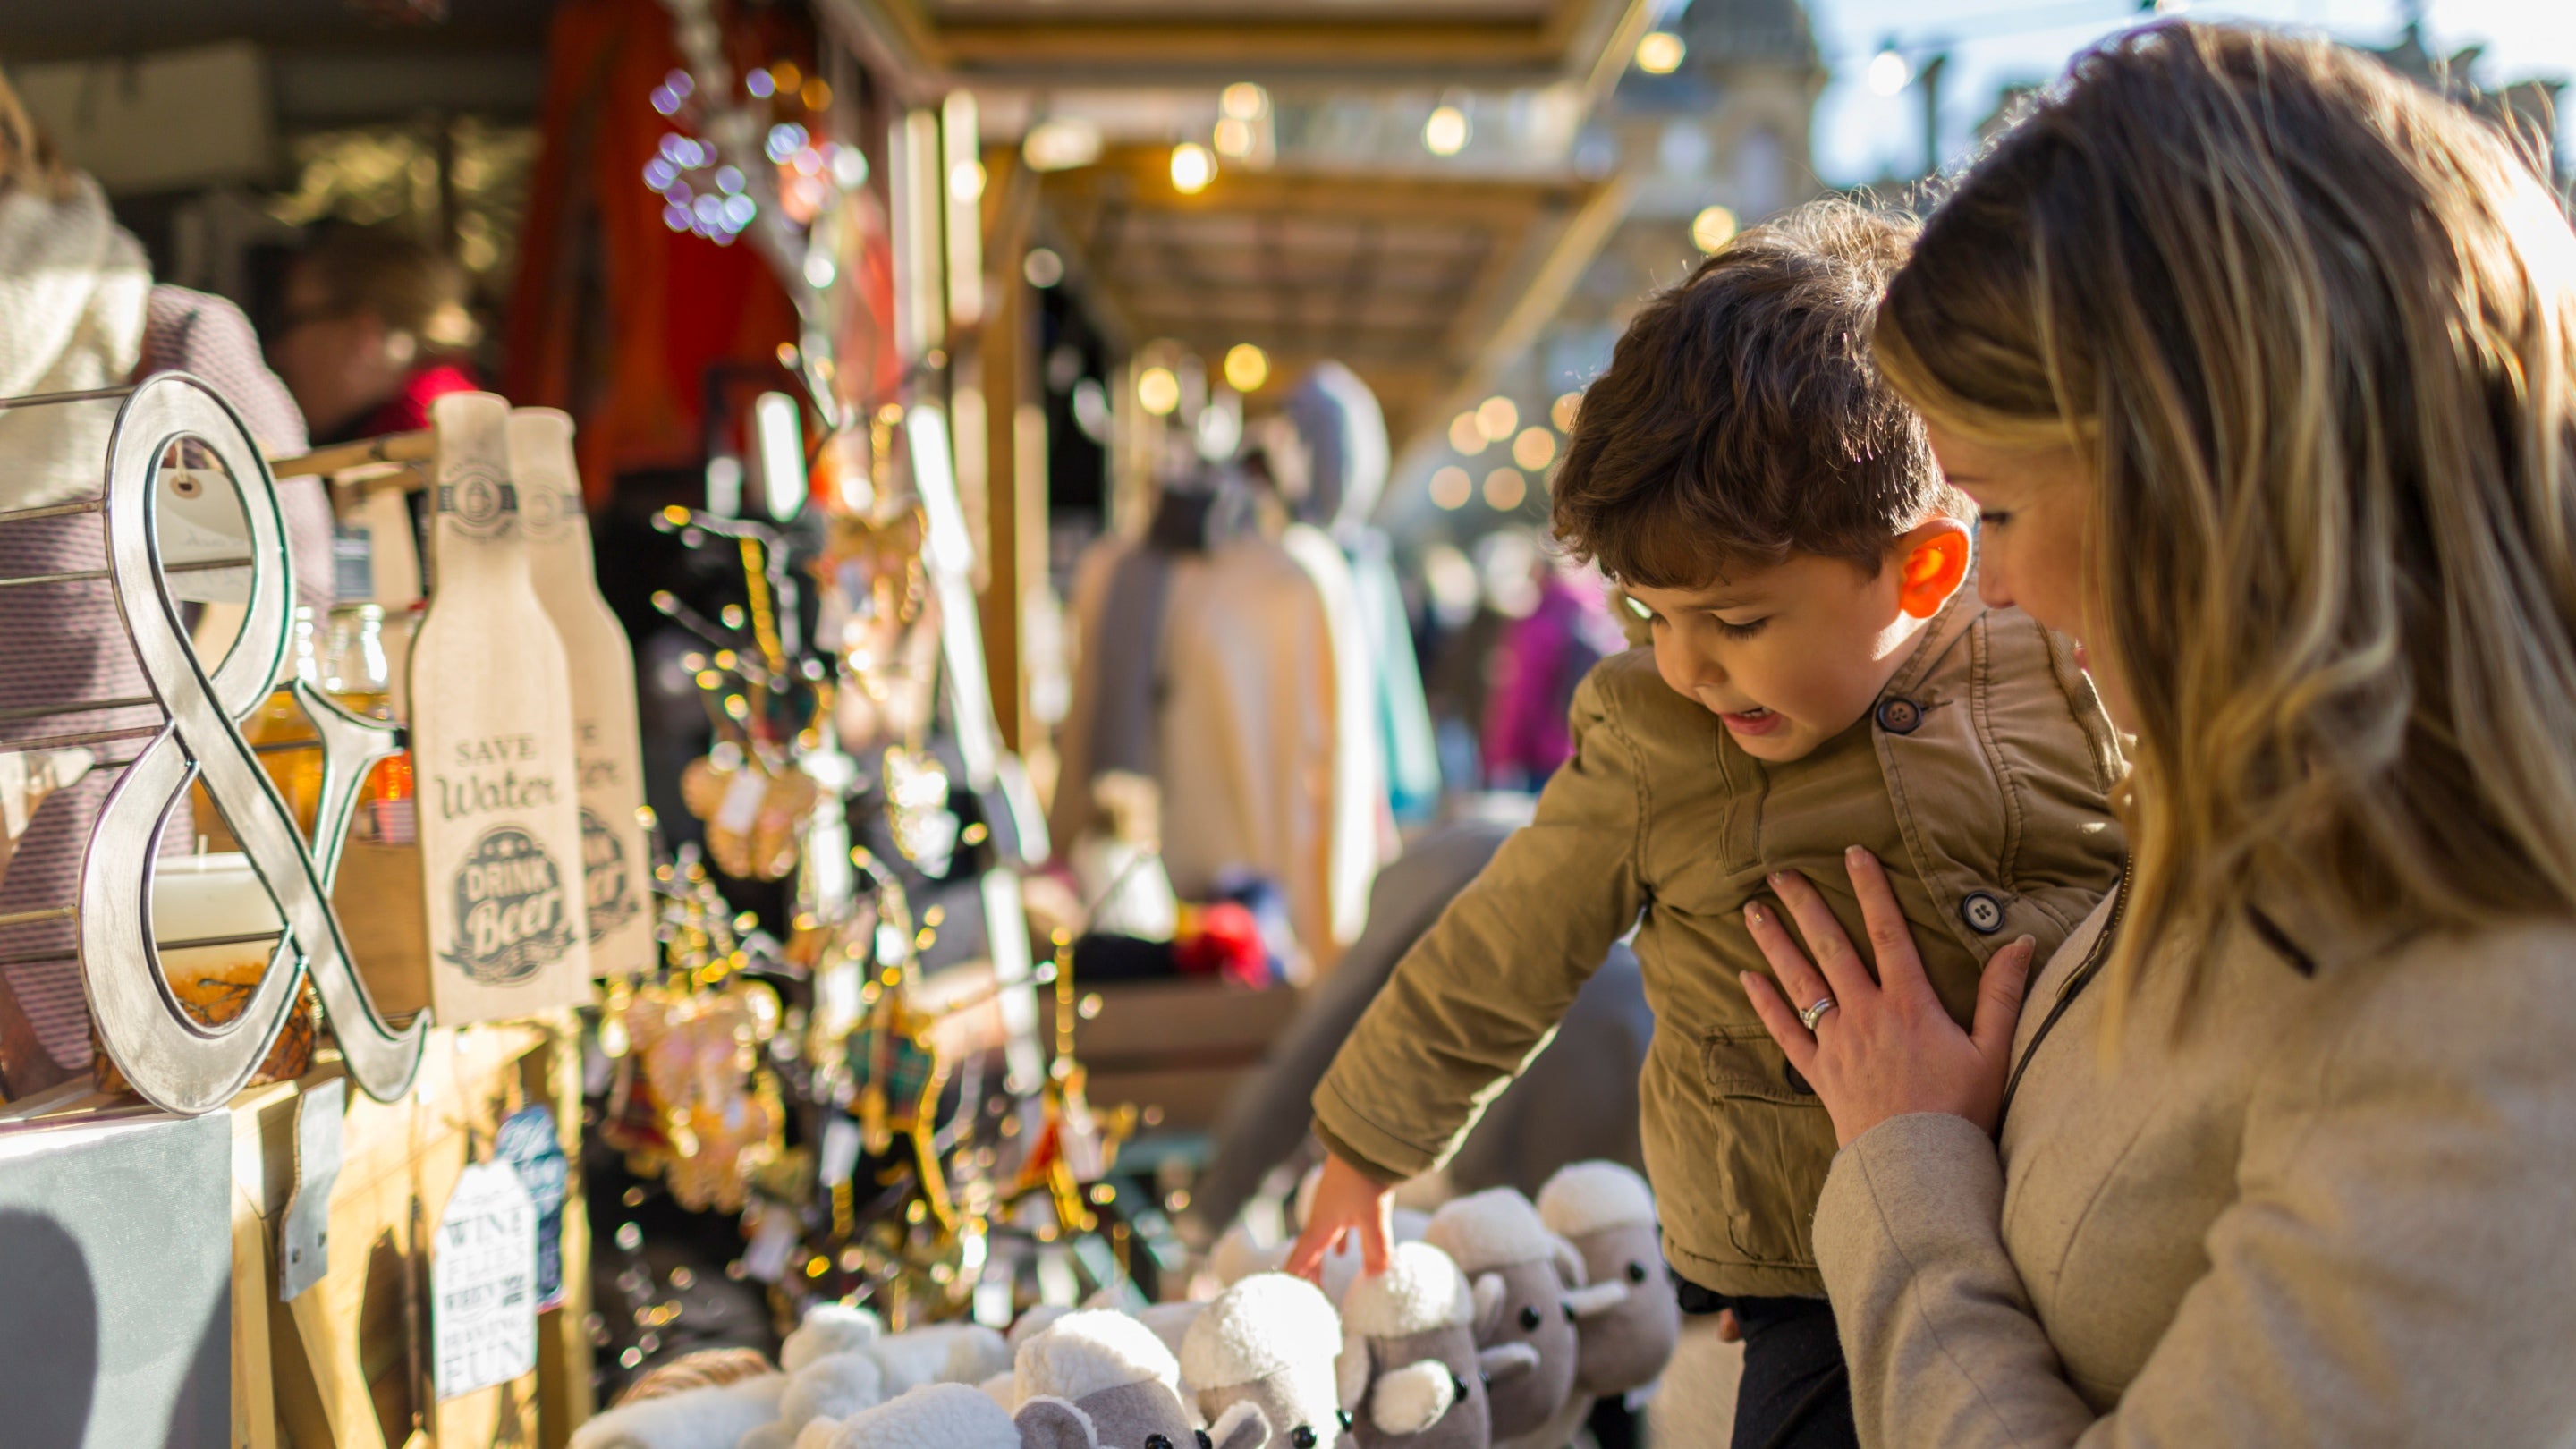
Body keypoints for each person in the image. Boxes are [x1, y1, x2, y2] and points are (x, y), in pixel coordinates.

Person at [1740, 22, 2576, 1445]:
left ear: (2203, 491)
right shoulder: (2294, 826)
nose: (1990, 585)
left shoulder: (2498, 1025)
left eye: (1996, 508)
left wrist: (1906, 1179)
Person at [1290, 200, 2129, 1449]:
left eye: (1735, 624)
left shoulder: (2048, 666)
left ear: (1921, 571)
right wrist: (1364, 1147)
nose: (1686, 666)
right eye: (1648, 613)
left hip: (2073, 1222)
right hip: (1810, 1278)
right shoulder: (1648, 741)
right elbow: (1503, 951)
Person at [265, 223, 479, 445]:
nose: (277, 352)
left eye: (289, 323)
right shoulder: (453, 412)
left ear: (361, 335)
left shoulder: (402, 451)